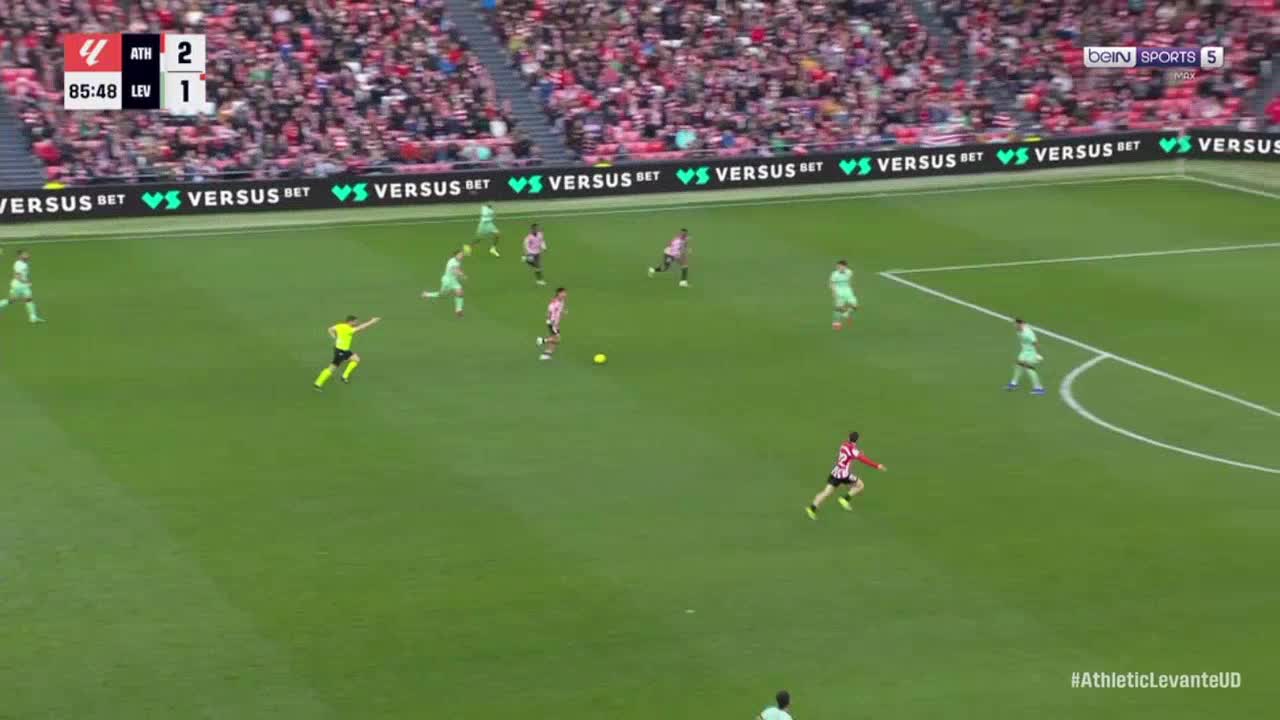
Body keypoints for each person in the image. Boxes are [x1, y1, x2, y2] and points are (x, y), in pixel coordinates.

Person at [806, 432, 886, 519]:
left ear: (848, 438)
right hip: (844, 475)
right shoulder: (854, 451)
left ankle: (812, 508)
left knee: (826, 492)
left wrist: (859, 453)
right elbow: (863, 459)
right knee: (860, 485)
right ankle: (845, 499)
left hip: (835, 472)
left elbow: (851, 453)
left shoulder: (843, 445)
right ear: (857, 440)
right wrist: (877, 466)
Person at [314, 315, 381, 390]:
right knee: (332, 368)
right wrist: (372, 321)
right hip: (341, 351)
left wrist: (334, 337)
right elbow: (361, 327)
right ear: (350, 322)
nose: (357, 323)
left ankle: (344, 376)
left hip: (344, 350)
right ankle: (318, 383)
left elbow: (330, 329)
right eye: (355, 322)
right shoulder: (348, 330)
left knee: (356, 359)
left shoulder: (340, 325)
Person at [0, 249, 45, 323]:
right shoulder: (18, 264)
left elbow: (23, 274)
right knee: (11, 300)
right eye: (25, 254)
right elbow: (17, 276)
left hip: (24, 286)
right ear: (20, 256)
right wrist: (26, 282)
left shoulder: (24, 263)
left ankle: (33, 318)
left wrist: (26, 282)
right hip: (17, 285)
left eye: (27, 254)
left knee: (29, 299)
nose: (27, 255)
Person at [1006, 318, 1046, 395]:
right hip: (1024, 351)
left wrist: (1038, 354)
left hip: (1031, 352)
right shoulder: (1018, 330)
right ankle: (1014, 383)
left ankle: (1039, 388)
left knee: (1029, 368)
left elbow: (1036, 343)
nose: (1014, 326)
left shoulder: (1028, 333)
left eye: (1016, 324)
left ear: (1020, 324)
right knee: (1018, 365)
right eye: (1014, 324)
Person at [422, 250, 467, 317]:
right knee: (442, 295)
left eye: (462, 254)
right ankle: (426, 294)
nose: (461, 256)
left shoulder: (457, 261)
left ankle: (458, 310)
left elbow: (457, 269)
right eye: (460, 255)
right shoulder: (452, 262)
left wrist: (460, 274)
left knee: (460, 293)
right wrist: (462, 275)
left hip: (454, 281)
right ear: (455, 255)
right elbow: (455, 271)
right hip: (447, 282)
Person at [535, 287, 567, 361]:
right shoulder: (554, 302)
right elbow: (549, 312)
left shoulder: (562, 300)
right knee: (557, 340)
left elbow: (560, 309)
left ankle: (546, 355)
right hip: (552, 323)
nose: (565, 294)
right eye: (563, 293)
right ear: (558, 293)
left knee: (553, 339)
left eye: (565, 293)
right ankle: (542, 340)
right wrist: (551, 322)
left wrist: (563, 312)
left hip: (556, 323)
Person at [829, 259, 857, 330]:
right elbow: (831, 283)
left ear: (845, 266)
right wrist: (834, 293)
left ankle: (845, 313)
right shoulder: (834, 274)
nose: (838, 267)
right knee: (838, 307)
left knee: (855, 305)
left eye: (840, 266)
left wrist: (850, 289)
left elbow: (849, 280)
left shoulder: (849, 272)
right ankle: (836, 323)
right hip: (839, 291)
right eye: (838, 266)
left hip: (847, 290)